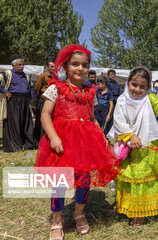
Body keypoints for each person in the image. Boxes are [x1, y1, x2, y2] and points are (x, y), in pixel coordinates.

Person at [34, 44, 120, 239]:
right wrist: (54, 137)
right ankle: (57, 221)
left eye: (84, 65)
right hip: (62, 142)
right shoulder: (57, 88)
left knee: (84, 179)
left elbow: (91, 118)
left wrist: (102, 137)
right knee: (60, 181)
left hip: (85, 143)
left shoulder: (91, 92)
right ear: (65, 66)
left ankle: (79, 213)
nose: (80, 68)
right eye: (75, 64)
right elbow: (45, 116)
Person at [107, 66, 158, 226]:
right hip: (127, 147)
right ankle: (126, 208)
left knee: (143, 180)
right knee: (126, 178)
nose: (137, 89)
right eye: (134, 85)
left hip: (147, 148)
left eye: (142, 87)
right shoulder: (122, 100)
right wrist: (131, 136)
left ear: (148, 87)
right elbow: (118, 121)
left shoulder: (150, 99)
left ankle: (141, 213)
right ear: (128, 82)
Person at [0, 54, 37, 152]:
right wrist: (5, 92)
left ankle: (30, 144)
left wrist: (30, 97)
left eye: (22, 64)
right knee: (15, 123)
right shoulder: (7, 74)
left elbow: (32, 87)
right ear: (13, 65)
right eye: (19, 65)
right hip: (13, 101)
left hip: (24, 101)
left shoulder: (26, 76)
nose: (22, 66)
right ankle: (15, 146)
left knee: (27, 123)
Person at [35, 60, 55, 142]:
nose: (53, 68)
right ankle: (41, 140)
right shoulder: (43, 76)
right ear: (46, 67)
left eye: (54, 66)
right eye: (51, 66)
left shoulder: (56, 76)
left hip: (53, 99)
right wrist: (40, 98)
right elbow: (37, 88)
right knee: (43, 119)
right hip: (44, 99)